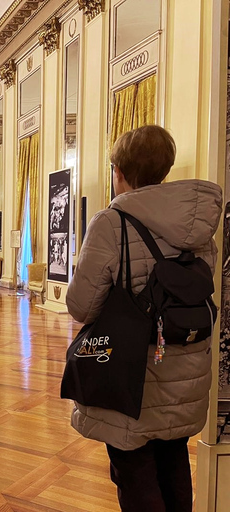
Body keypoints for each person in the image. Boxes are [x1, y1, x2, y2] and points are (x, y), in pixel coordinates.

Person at [66, 125, 222, 512]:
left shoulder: (111, 222)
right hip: (187, 366)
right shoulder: (199, 225)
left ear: (118, 170)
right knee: (173, 463)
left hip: (133, 375)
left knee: (134, 473)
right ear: (165, 168)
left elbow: (82, 306)